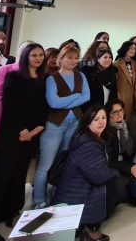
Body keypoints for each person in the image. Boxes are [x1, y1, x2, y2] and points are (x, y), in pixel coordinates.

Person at [0, 43, 47, 241]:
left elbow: (42, 108)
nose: (38, 58)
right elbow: (8, 107)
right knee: (0, 180)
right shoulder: (14, 76)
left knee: (17, 178)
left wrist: (36, 129)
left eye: (40, 55)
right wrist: (21, 130)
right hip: (10, 136)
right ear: (24, 56)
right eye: (33, 55)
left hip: (30, 137)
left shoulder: (42, 78)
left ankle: (7, 213)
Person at [32, 44, 89, 208]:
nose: (73, 61)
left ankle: (57, 196)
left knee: (63, 161)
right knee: (46, 165)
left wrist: (65, 101)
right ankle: (39, 200)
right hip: (55, 125)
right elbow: (53, 103)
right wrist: (76, 96)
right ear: (61, 59)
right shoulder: (52, 78)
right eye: (69, 57)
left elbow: (86, 97)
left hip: (75, 123)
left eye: (76, 58)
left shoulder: (81, 76)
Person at [52, 105, 119, 241]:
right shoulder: (89, 145)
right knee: (116, 185)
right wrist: (115, 173)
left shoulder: (85, 137)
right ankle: (87, 227)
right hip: (74, 200)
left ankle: (84, 226)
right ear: (87, 122)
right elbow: (98, 177)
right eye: (96, 119)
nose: (101, 122)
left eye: (104, 118)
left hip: (75, 193)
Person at [104, 99, 136, 206]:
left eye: (121, 110)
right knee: (125, 192)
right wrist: (129, 169)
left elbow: (131, 151)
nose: (119, 114)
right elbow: (110, 162)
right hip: (113, 167)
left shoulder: (125, 126)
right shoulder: (107, 132)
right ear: (108, 115)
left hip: (125, 163)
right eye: (115, 112)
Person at [114, 41, 136, 119]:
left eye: (134, 48)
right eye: (130, 48)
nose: (133, 50)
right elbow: (115, 83)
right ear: (125, 48)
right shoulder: (116, 64)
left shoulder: (135, 63)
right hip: (122, 97)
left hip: (134, 98)